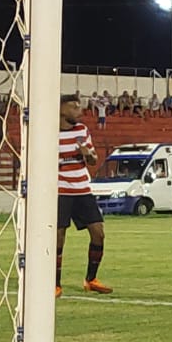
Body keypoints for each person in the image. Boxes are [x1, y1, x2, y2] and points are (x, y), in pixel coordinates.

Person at [57, 93, 110, 297]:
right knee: (58, 237)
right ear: (61, 109)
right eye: (74, 107)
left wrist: (87, 154)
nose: (79, 111)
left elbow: (93, 160)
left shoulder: (82, 130)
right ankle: (55, 284)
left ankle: (91, 279)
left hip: (83, 189)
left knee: (98, 233)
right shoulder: (49, 132)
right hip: (61, 190)